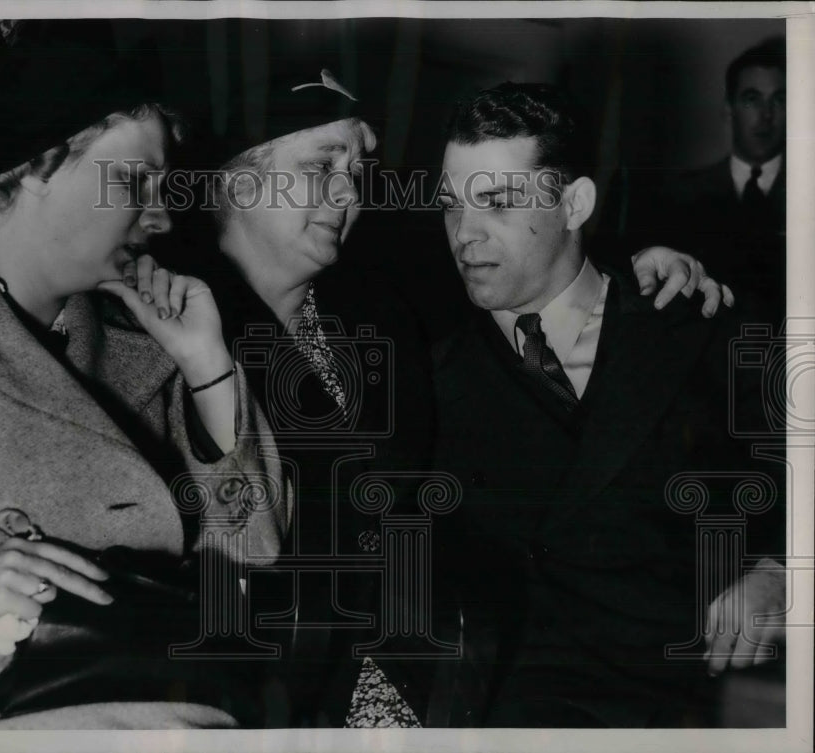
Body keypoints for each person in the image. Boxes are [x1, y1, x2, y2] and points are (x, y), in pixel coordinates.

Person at [144, 68, 737, 727]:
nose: (350, 192)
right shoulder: (166, 322)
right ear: (236, 179)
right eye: (322, 167)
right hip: (246, 688)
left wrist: (650, 264)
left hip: (434, 675)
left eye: (358, 168)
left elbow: (538, 274)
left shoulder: (382, 308)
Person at [0, 33, 287, 731]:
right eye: (135, 180)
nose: (162, 215)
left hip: (148, 692)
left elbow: (249, 557)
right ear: (35, 163)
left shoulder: (143, 351)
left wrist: (207, 366)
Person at [432, 82, 785, 727]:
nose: (465, 234)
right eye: (451, 205)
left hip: (668, 710)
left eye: (496, 203)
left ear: (575, 204)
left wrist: (782, 572)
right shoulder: (430, 366)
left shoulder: (700, 325)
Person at [625, 37, 786, 324]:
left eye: (779, 100)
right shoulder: (676, 195)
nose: (767, 115)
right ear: (729, 107)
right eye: (752, 99)